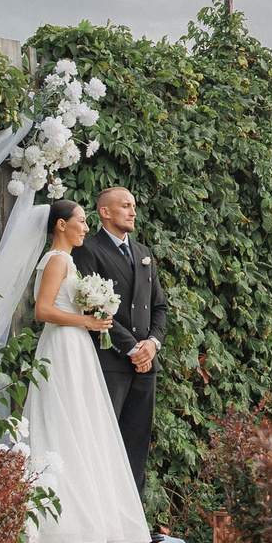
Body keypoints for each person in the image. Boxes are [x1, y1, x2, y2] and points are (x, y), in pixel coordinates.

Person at [21, 198, 152, 543]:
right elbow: (43, 310)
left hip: (77, 348)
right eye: (79, 221)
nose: (84, 226)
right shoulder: (57, 260)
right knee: (62, 419)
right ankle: (56, 521)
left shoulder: (69, 263)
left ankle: (84, 515)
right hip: (62, 346)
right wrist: (89, 321)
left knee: (80, 424)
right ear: (61, 225)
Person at [74, 185, 168, 499]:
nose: (133, 211)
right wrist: (132, 348)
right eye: (126, 206)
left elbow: (159, 307)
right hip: (111, 362)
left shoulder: (144, 253)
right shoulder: (88, 251)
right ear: (105, 212)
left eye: (133, 205)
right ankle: (102, 516)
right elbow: (93, 307)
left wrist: (152, 344)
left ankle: (134, 523)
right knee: (103, 441)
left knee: (137, 443)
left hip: (146, 365)